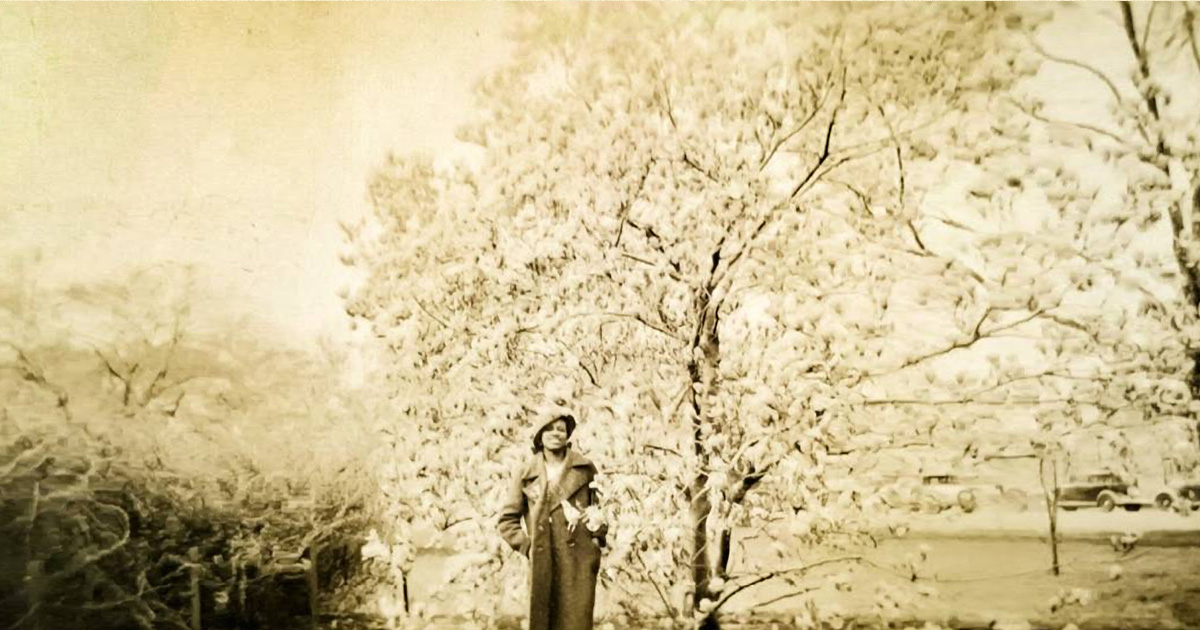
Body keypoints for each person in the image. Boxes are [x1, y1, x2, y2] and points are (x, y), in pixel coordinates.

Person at [497, 409, 606, 630]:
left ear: (568, 435)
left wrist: (595, 541)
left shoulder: (584, 469)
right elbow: (506, 520)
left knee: (575, 622)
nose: (556, 434)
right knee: (544, 621)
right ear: (539, 436)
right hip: (542, 558)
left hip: (578, 559)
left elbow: (600, 509)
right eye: (549, 429)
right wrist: (528, 546)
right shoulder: (526, 472)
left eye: (561, 429)